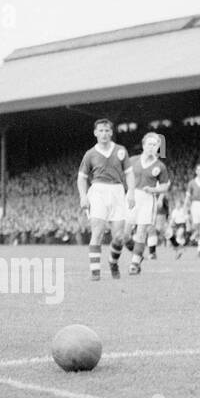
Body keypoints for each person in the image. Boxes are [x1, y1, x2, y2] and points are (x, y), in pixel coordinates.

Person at [77, 118, 132, 280]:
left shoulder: (121, 151)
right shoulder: (90, 154)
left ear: (111, 132)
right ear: (95, 133)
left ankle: (113, 262)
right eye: (101, 130)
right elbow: (81, 178)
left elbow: (129, 174)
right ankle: (95, 272)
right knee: (98, 231)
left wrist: (132, 193)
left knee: (119, 236)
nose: (104, 133)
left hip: (117, 191)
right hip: (98, 191)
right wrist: (83, 196)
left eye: (107, 130)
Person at [126, 132, 172, 275]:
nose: (152, 147)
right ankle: (138, 253)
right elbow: (124, 177)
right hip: (132, 196)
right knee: (124, 235)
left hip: (147, 199)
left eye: (155, 145)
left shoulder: (160, 166)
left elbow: (165, 186)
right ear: (144, 145)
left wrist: (153, 189)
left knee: (141, 232)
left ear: (158, 147)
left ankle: (135, 263)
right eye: (150, 144)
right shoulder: (132, 160)